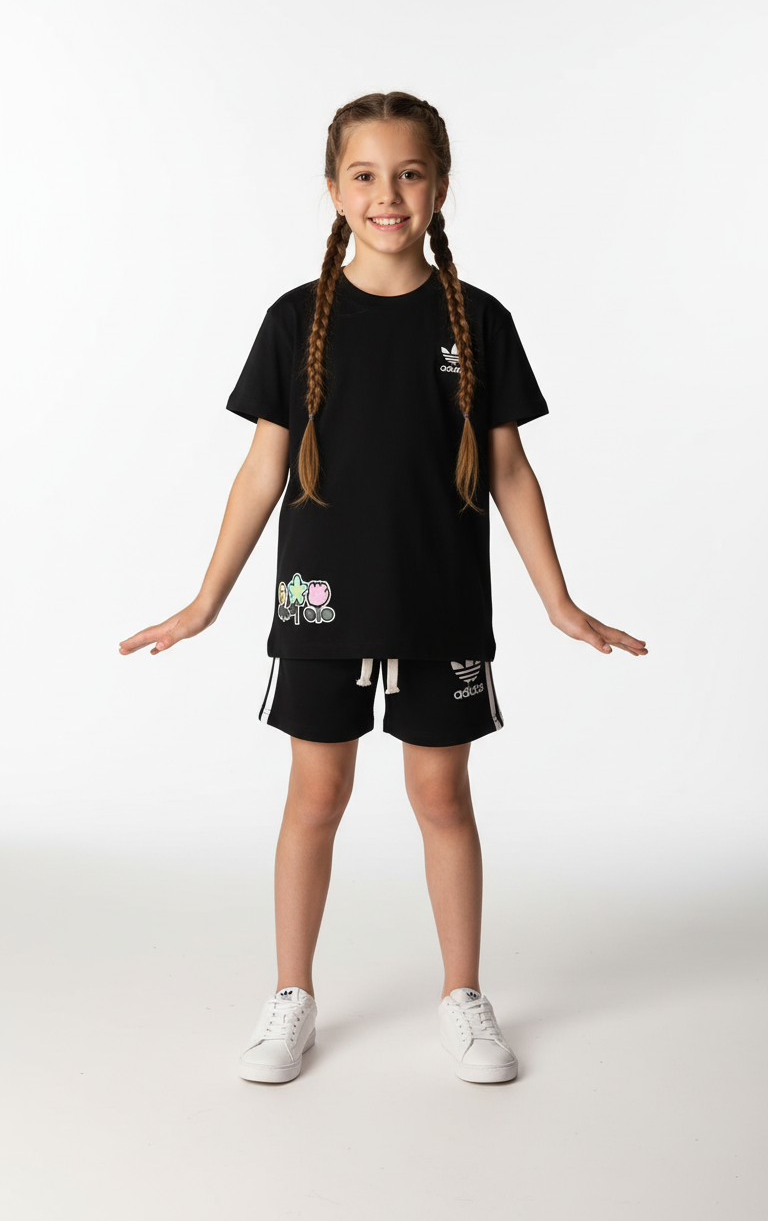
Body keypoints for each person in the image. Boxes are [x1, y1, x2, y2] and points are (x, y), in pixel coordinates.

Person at [119, 91, 648, 1087]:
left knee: (441, 796)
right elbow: (261, 471)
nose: (388, 194)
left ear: (439, 186)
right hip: (318, 605)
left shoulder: (478, 321)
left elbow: (509, 469)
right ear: (333, 189)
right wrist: (206, 601)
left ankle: (463, 997)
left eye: (409, 173)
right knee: (315, 797)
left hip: (439, 606)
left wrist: (559, 602)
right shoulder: (296, 320)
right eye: (365, 174)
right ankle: (292, 996)